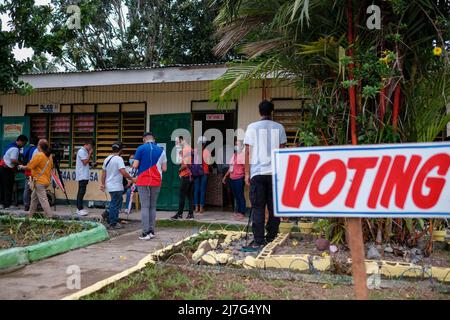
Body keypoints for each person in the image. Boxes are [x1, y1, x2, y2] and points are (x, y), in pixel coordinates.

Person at [244, 100, 287, 249]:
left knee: (258, 207)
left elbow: (248, 151)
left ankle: (259, 239)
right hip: (275, 173)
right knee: (274, 207)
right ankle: (272, 236)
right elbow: (282, 151)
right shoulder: (279, 127)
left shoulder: (251, 127)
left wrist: (246, 173)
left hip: (257, 173)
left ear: (259, 111)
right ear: (272, 111)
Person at [132, 132, 167, 240]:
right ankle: (151, 231)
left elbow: (135, 165)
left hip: (143, 180)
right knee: (152, 206)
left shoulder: (141, 148)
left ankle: (145, 233)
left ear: (144, 139)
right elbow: (164, 169)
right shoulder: (161, 150)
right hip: (156, 181)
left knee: (145, 207)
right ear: (153, 139)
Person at [100, 142, 135, 229]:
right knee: (115, 204)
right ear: (120, 150)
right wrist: (132, 178)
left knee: (114, 203)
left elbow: (103, 173)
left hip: (110, 185)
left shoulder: (107, 159)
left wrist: (103, 184)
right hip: (116, 185)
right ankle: (113, 223)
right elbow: (123, 171)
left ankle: (108, 216)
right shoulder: (119, 159)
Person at [18, 139, 53, 217]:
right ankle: (30, 216)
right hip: (46, 180)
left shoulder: (39, 155)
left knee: (43, 200)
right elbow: (51, 166)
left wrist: (21, 166)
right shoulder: (49, 156)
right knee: (33, 198)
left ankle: (50, 217)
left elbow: (30, 166)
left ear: (39, 146)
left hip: (39, 181)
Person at [0, 135, 29, 210]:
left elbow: (4, 157)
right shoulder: (15, 148)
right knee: (8, 187)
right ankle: (7, 205)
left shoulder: (10, 145)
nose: (23, 146)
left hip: (3, 168)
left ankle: (2, 204)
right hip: (7, 170)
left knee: (3, 187)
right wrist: (21, 164)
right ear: (20, 141)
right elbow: (13, 160)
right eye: (24, 143)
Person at [171, 136, 194, 220]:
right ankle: (191, 214)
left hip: (186, 175)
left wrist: (179, 170)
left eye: (177, 142)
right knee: (190, 196)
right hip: (191, 176)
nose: (177, 144)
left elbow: (185, 164)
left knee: (182, 195)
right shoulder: (189, 149)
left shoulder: (186, 149)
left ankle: (179, 214)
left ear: (182, 140)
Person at [222, 139, 246, 220]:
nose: (236, 146)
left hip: (239, 178)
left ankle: (242, 212)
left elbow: (246, 167)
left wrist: (246, 176)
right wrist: (225, 176)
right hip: (232, 178)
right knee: (235, 195)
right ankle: (238, 211)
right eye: (235, 144)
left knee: (240, 195)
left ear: (242, 146)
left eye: (238, 144)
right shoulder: (234, 155)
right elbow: (230, 168)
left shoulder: (243, 155)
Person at [193, 136, 211, 214]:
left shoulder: (195, 151)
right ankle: (201, 208)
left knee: (196, 189)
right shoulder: (207, 151)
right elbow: (209, 162)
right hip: (204, 172)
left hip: (196, 172)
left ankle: (196, 207)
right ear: (204, 143)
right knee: (202, 190)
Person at [75, 140, 94, 216]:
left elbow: (86, 163)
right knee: (81, 192)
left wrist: (91, 164)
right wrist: (89, 154)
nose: (91, 148)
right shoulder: (82, 151)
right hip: (82, 175)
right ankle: (79, 209)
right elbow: (84, 162)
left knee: (82, 192)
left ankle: (80, 208)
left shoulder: (85, 151)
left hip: (84, 175)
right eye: (91, 147)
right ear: (88, 144)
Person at [22, 135, 39, 211]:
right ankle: (34, 206)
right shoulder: (36, 150)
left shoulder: (25, 149)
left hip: (27, 170)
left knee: (27, 189)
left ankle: (26, 205)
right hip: (33, 171)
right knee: (35, 189)